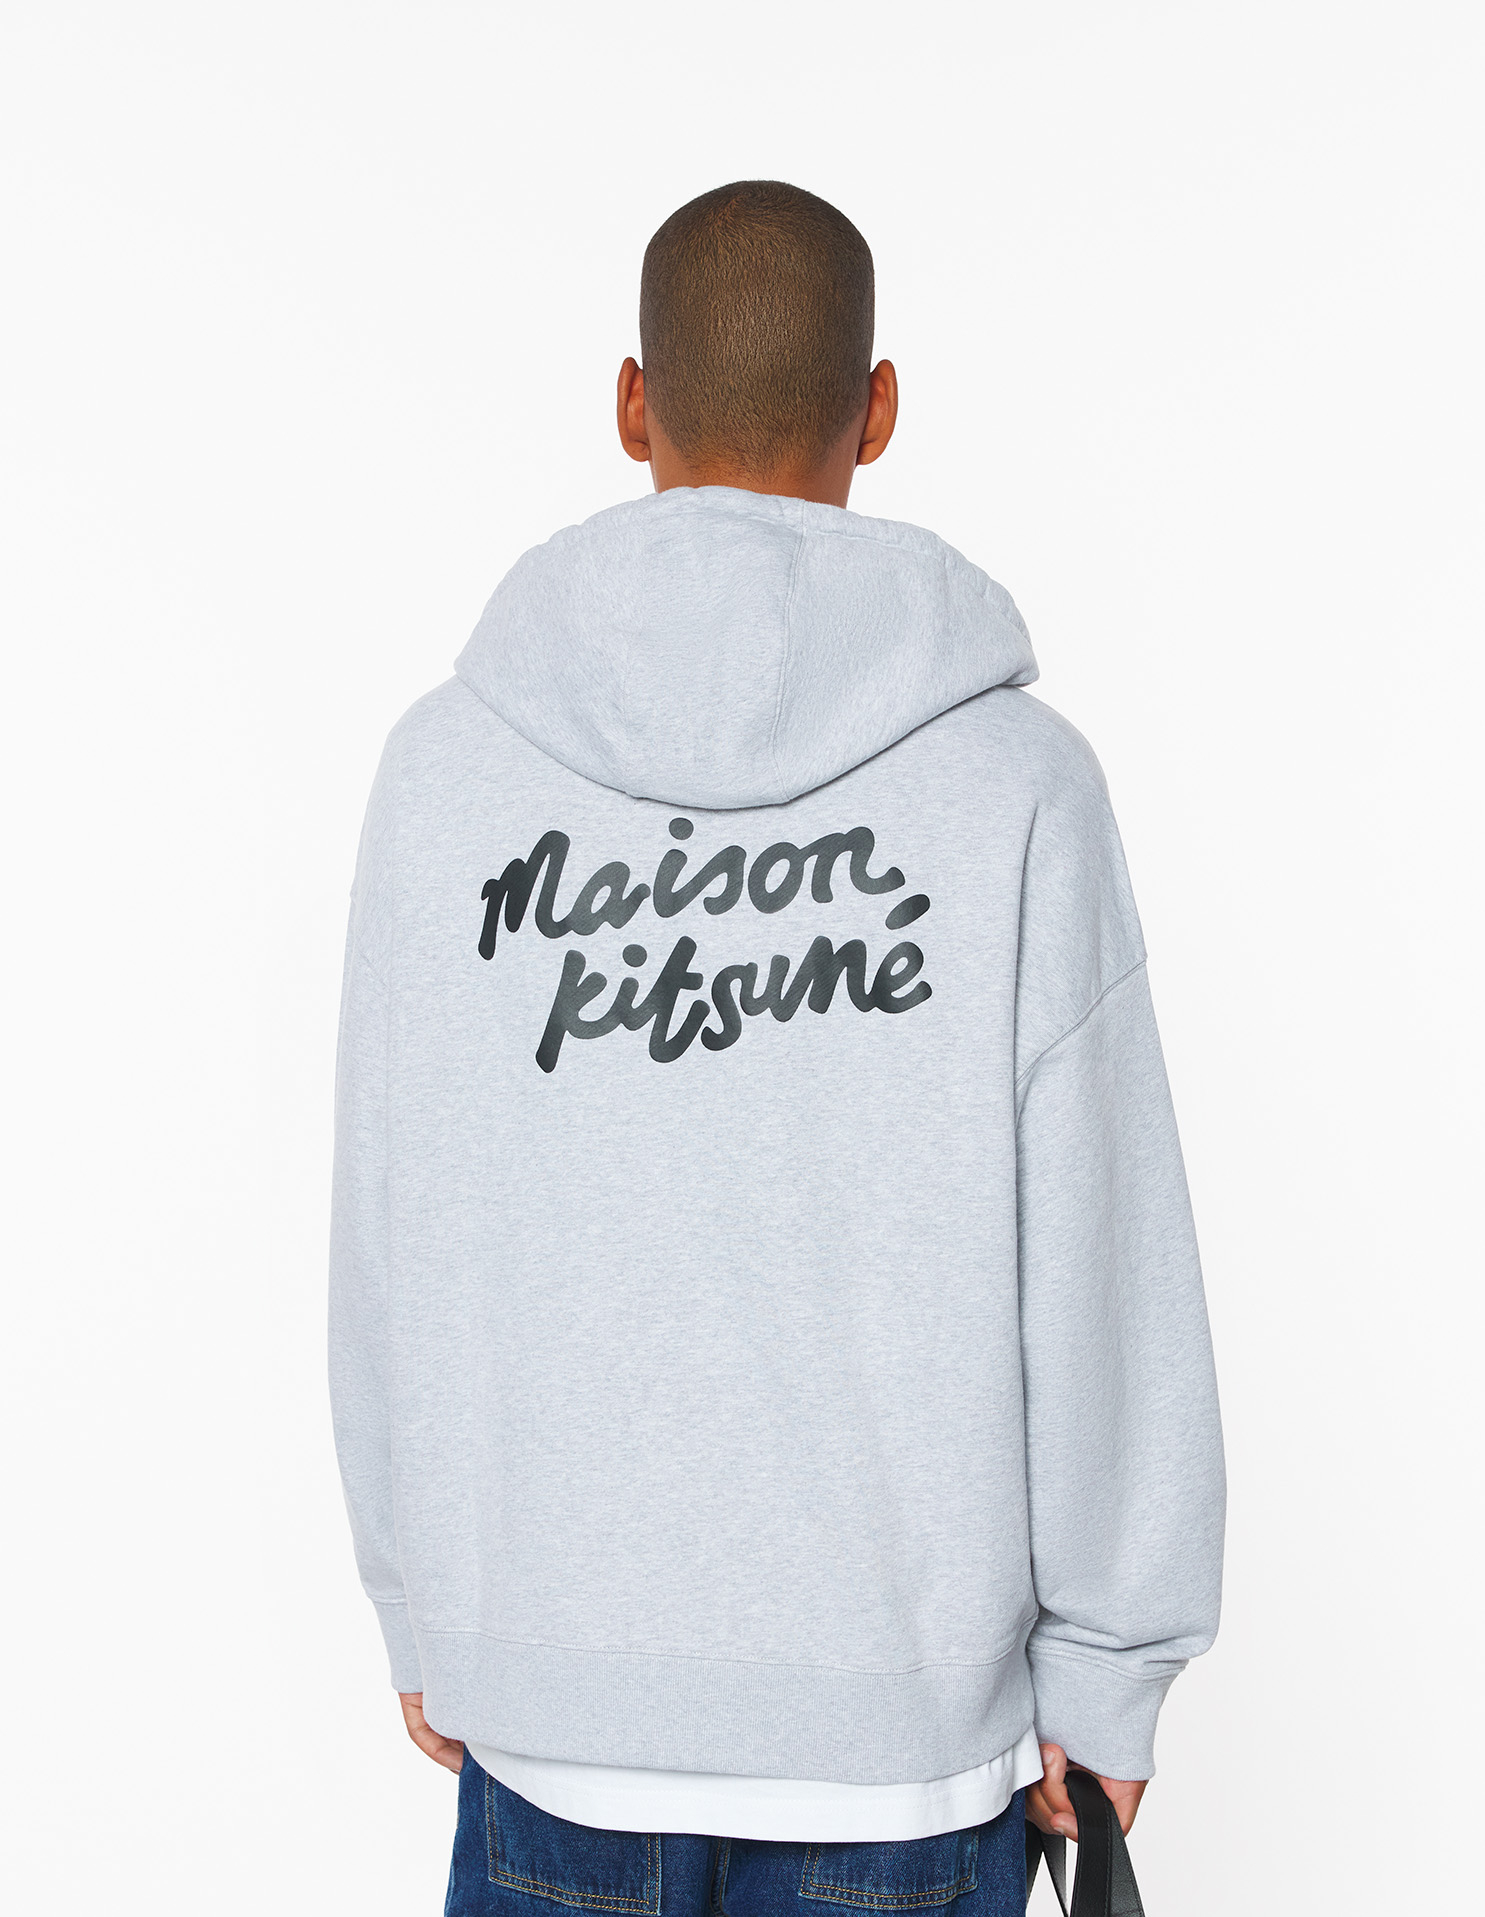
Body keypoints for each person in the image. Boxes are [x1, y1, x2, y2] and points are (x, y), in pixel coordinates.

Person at [329, 180, 1225, 1916]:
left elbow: (390, 1220)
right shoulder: (1016, 787)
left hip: (555, 1727)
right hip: (898, 1759)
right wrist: (1111, 1666)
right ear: (875, 409)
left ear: (630, 403)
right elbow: (1103, 1259)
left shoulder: (445, 774)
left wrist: (421, 1596)